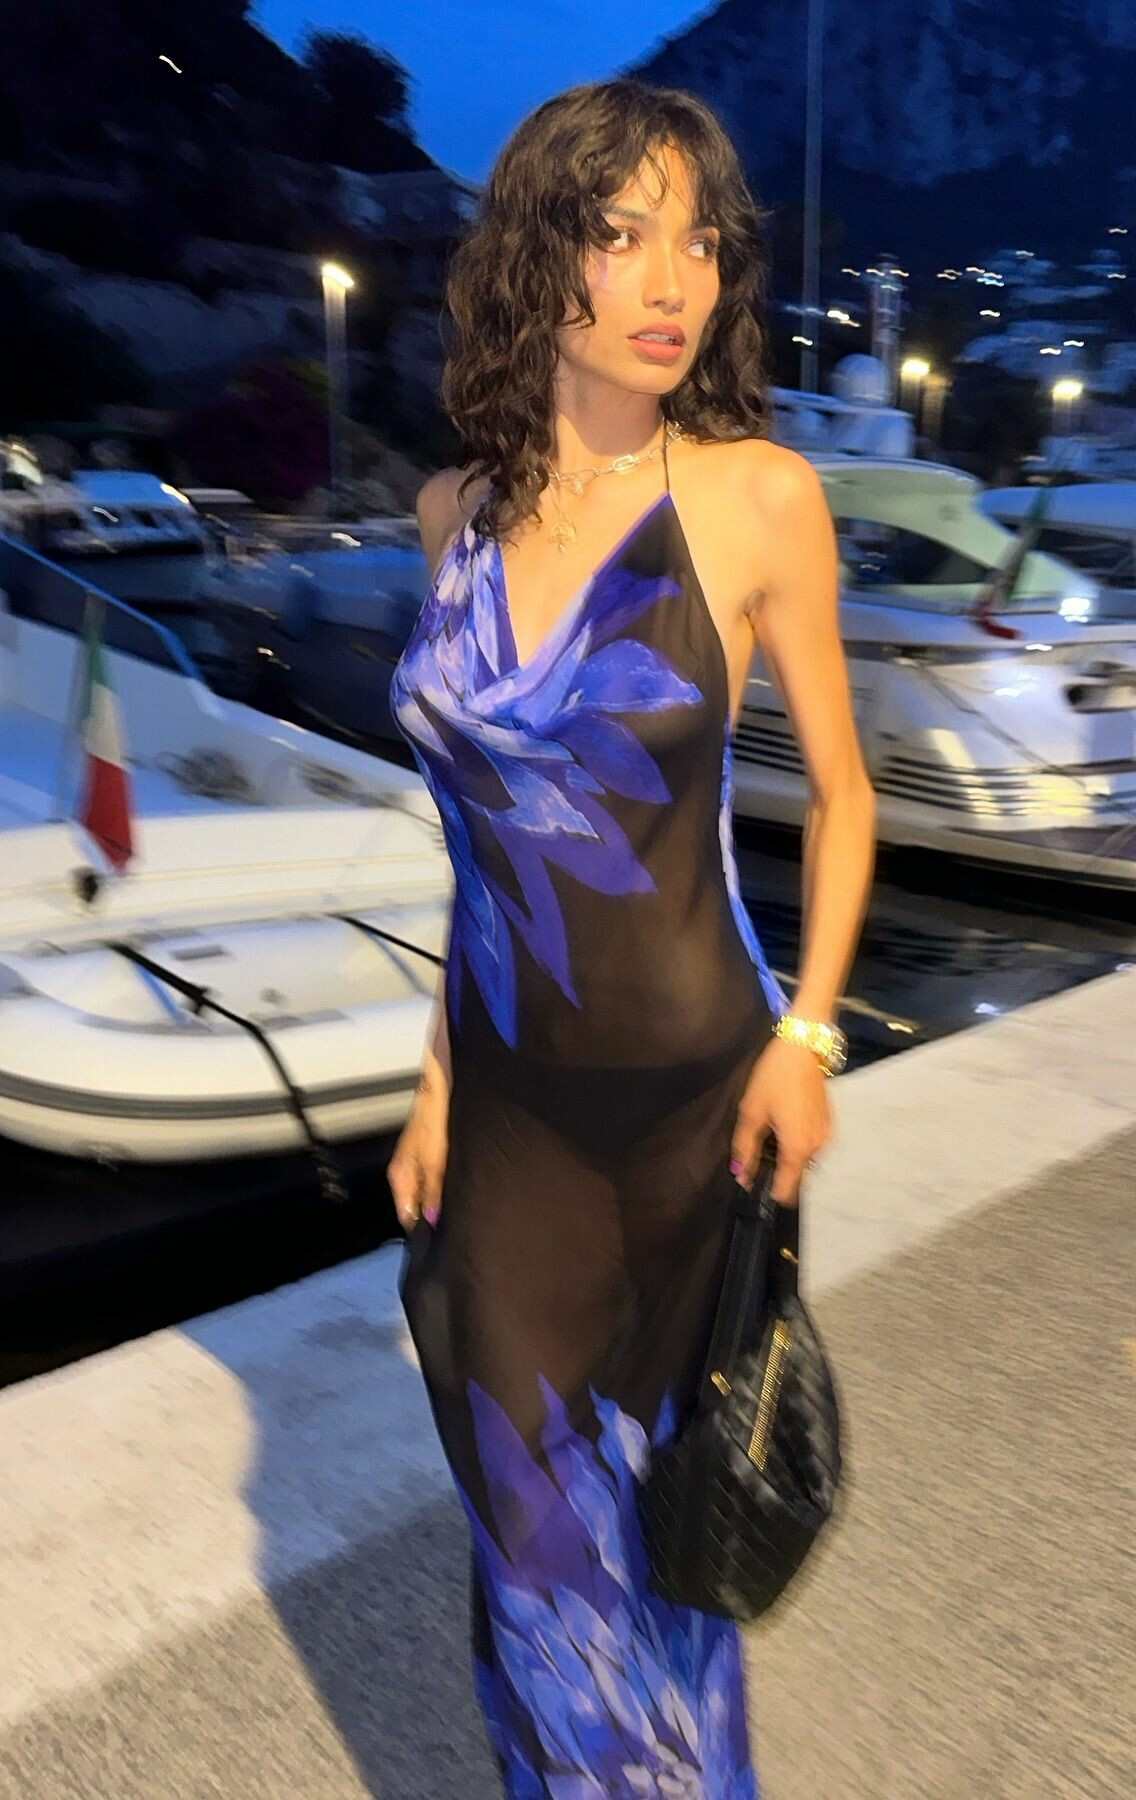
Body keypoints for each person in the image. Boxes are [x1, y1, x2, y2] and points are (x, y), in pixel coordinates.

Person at [387, 77, 876, 1798]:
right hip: (513, 1117)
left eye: (704, 242)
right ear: (542, 258)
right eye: (622, 235)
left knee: (672, 1548)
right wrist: (438, 1081)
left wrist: (810, 1036)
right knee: (531, 1544)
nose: (675, 282)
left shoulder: (756, 498)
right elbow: (482, 850)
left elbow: (845, 796)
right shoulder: (449, 513)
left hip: (698, 1116)